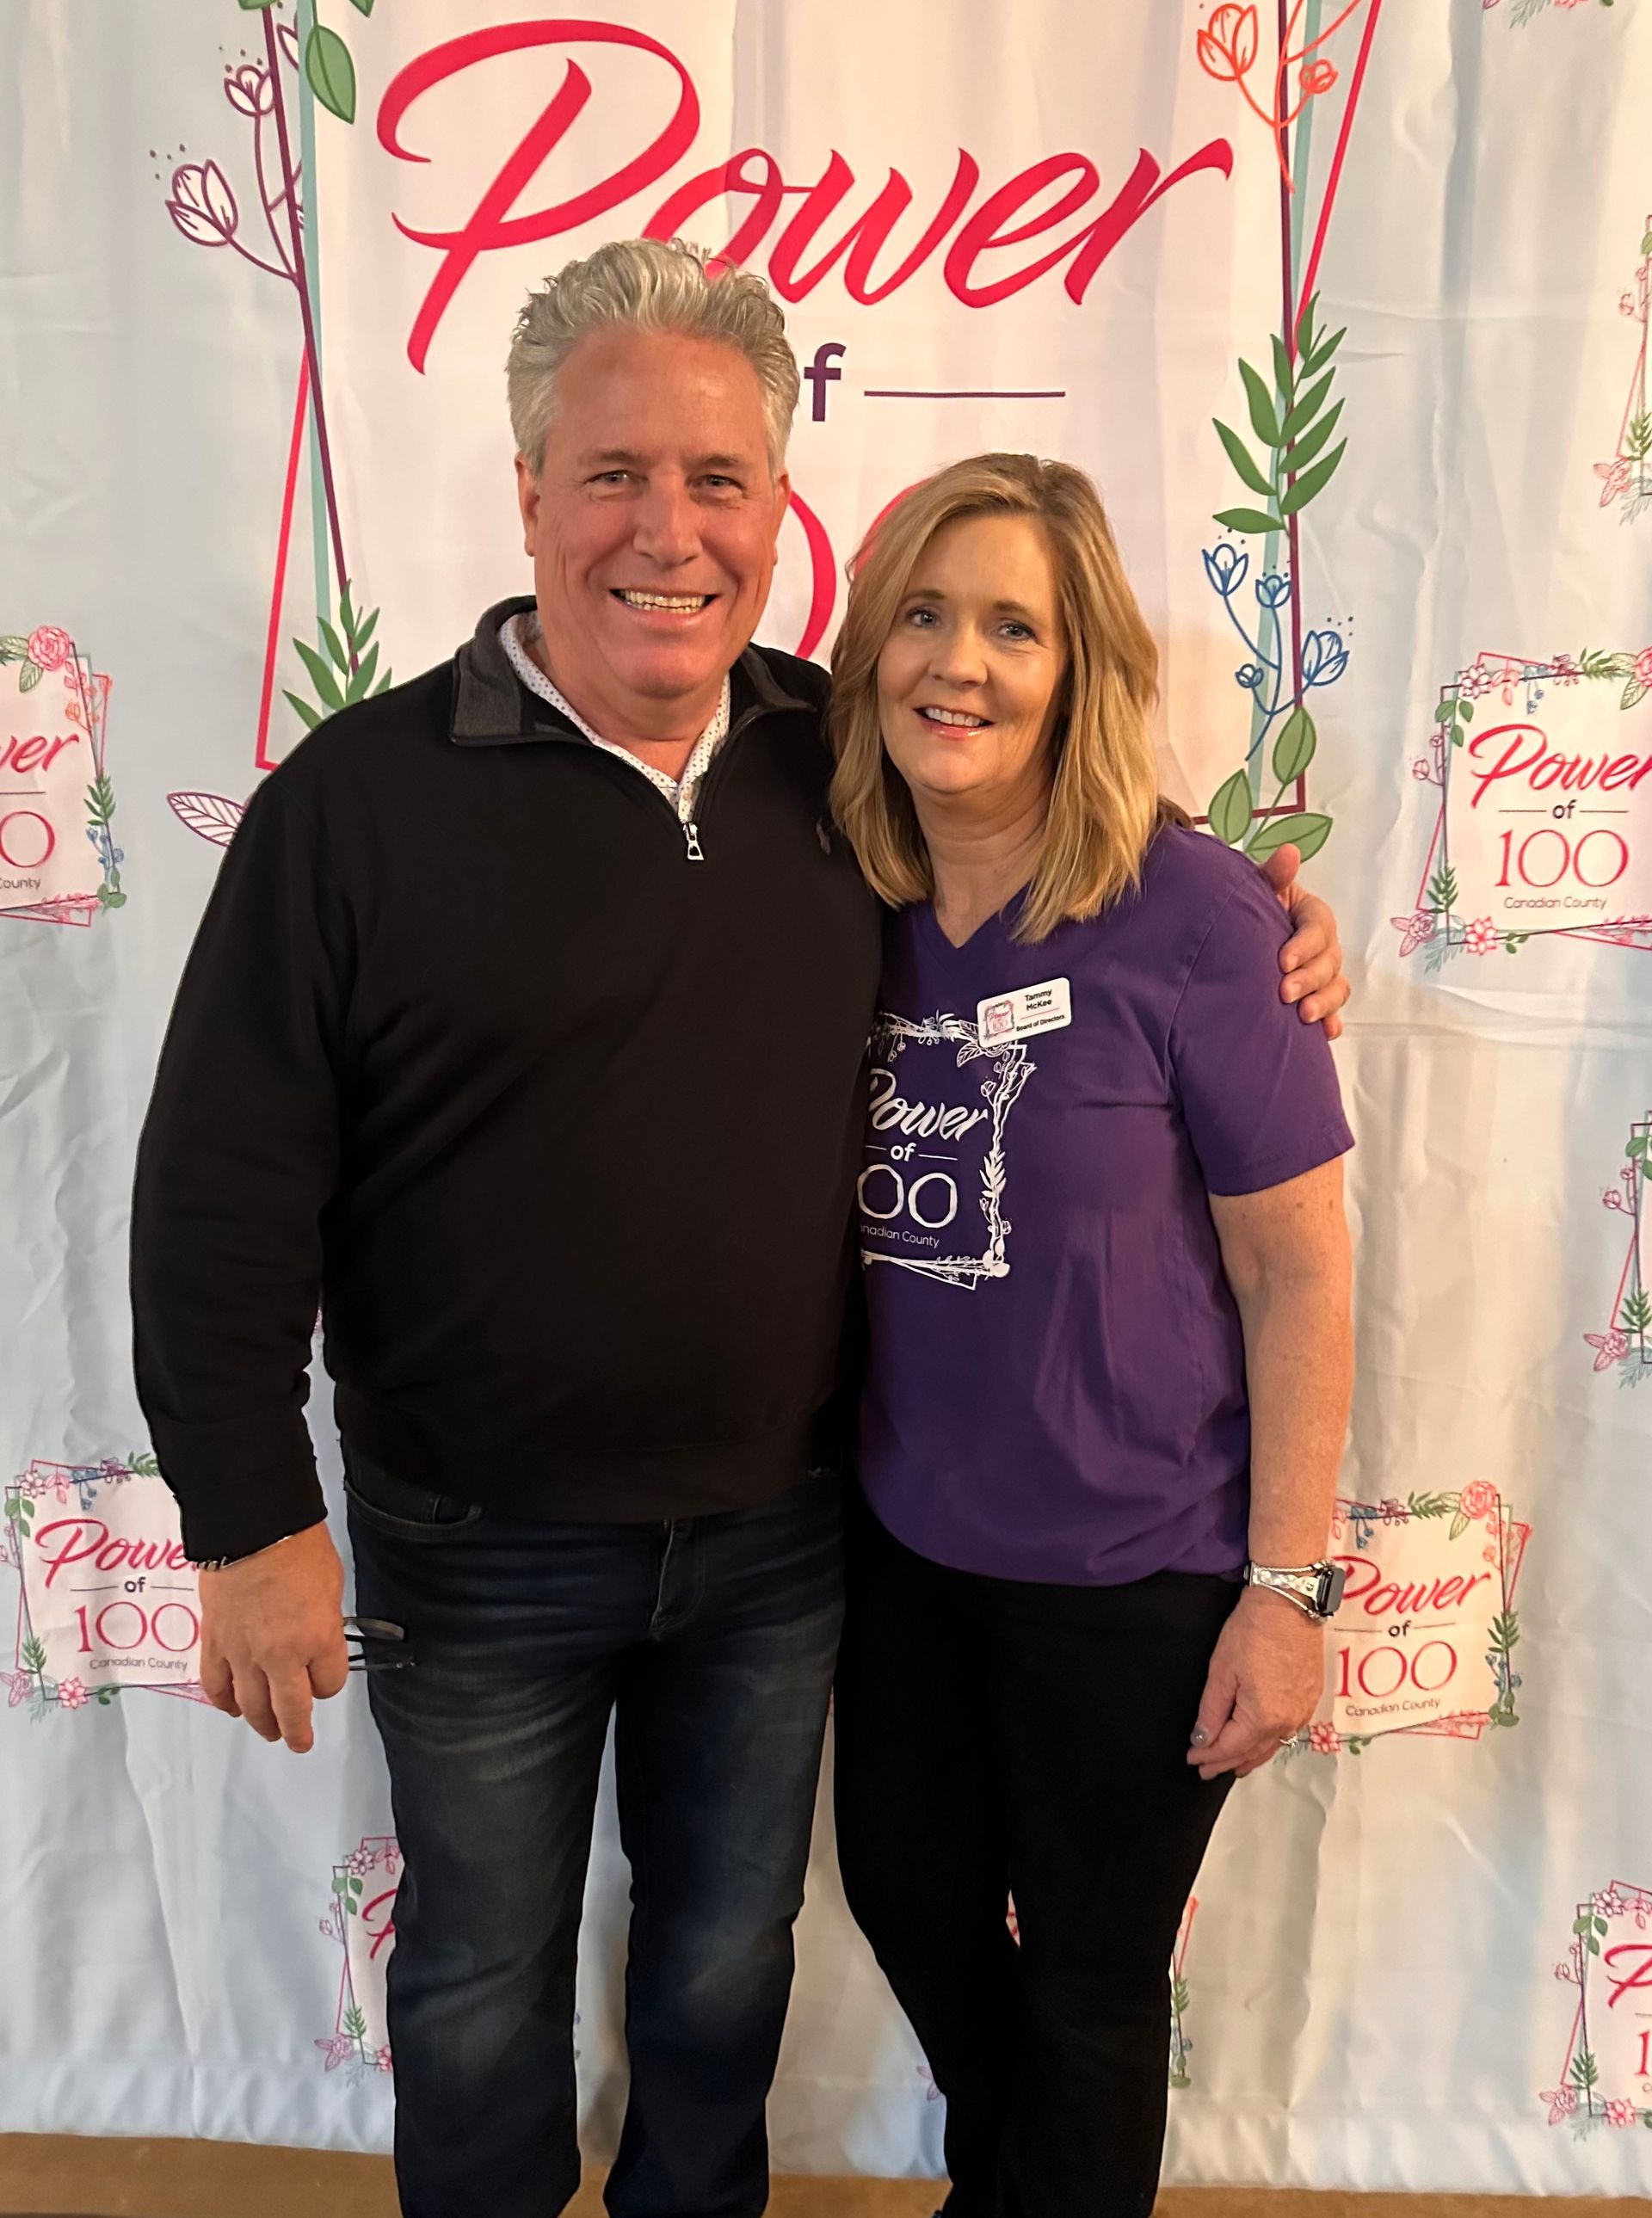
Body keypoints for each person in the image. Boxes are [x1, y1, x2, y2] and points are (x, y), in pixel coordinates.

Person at [129, 242, 1349, 2218]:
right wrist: (249, 1520)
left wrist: (1262, 907)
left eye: (719, 482)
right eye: (614, 474)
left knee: (720, 1979)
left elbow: (1058, 799)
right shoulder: (352, 809)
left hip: (786, 1542)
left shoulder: (833, 755)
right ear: (527, 493)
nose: (667, 532)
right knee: (473, 1982)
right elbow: (213, 1191)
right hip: (479, 1538)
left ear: (781, 512)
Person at [827, 453, 1355, 2218]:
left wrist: (1290, 1593)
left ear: (1083, 670)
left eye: (1012, 625)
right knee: (909, 1897)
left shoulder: (1201, 921)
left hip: (1137, 1571)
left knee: (1096, 1985)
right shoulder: (841, 886)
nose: (957, 662)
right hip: (906, 1542)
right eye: (921, 611)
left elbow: (1299, 1271)